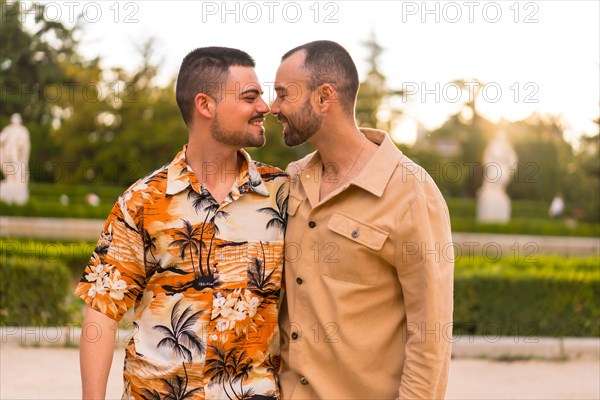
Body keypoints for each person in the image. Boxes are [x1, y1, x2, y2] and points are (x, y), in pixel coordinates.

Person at [76, 47, 288, 400]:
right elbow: (102, 309)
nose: (264, 107)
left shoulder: (283, 195)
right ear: (205, 105)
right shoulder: (142, 200)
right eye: (251, 97)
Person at [271, 41, 454, 399]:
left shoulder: (411, 192)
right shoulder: (292, 180)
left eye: (282, 95)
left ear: (324, 97)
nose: (273, 108)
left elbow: (430, 334)